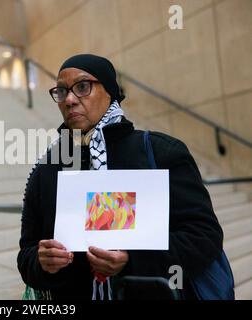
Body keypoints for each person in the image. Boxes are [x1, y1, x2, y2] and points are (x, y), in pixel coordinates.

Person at [17, 54, 224, 300]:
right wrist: (43, 263)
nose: (70, 99)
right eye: (61, 92)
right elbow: (27, 255)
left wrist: (132, 260)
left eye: (83, 87)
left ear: (110, 92)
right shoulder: (48, 169)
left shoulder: (161, 152)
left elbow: (204, 237)